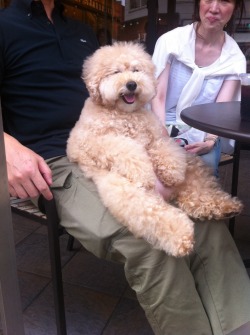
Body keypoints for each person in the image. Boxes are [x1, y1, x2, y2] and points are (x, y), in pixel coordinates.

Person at [1, 1, 250, 335]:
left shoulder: (81, 32)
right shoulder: (5, 28)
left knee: (207, 223)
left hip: (121, 143)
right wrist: (7, 146)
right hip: (51, 162)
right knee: (150, 241)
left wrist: (152, 140)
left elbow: (118, 96)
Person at [151, 0, 246, 177]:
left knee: (203, 171)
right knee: (150, 170)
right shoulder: (171, 42)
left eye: (224, 1)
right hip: (159, 123)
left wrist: (210, 141)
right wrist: (161, 135)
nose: (214, 8)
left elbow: (220, 112)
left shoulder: (234, 59)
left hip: (204, 131)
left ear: (235, 9)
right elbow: (158, 96)